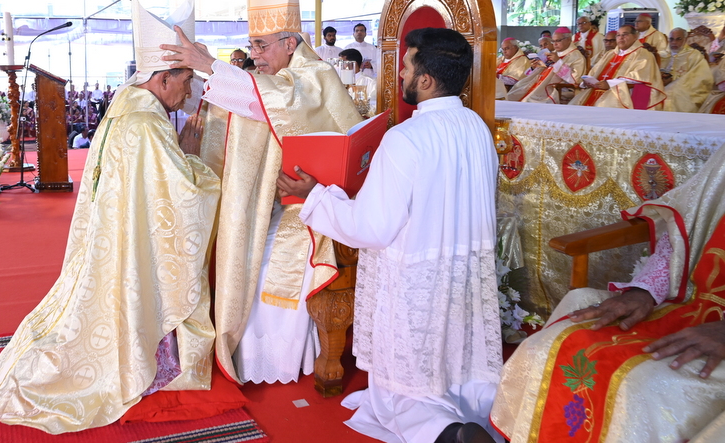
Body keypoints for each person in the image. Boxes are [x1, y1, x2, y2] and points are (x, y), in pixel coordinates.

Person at [0, 0, 221, 434]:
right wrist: (212, 175)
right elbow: (182, 194)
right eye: (186, 79)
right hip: (128, 237)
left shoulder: (129, 103)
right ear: (164, 77)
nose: (190, 91)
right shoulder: (147, 123)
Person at [277, 27, 502, 443]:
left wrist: (316, 197)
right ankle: (469, 412)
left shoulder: (405, 138)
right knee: (455, 365)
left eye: (407, 67)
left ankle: (446, 432)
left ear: (427, 80)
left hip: (418, 279)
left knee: (407, 388)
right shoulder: (477, 128)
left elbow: (372, 228)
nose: (399, 74)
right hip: (462, 274)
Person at [160, 0, 363, 385]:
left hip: (318, 207)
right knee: (240, 243)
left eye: (261, 45)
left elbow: (276, 101)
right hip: (281, 200)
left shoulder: (315, 76)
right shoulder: (278, 74)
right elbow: (252, 102)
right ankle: (243, 349)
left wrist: (208, 64)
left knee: (269, 256)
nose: (255, 53)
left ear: (291, 43)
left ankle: (278, 359)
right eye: (251, 44)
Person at [490, 142, 725, 443]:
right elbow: (686, 229)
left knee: (644, 386)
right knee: (552, 340)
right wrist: (644, 290)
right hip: (695, 302)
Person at [569, 25, 665, 109]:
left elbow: (639, 77)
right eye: (618, 35)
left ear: (635, 37)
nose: (621, 38)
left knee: (601, 107)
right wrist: (588, 82)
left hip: (620, 92)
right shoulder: (610, 54)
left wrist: (610, 84)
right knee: (574, 107)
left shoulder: (643, 54)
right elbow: (594, 72)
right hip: (595, 90)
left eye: (625, 34)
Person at [506, 27, 586, 103]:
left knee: (529, 99)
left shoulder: (577, 56)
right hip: (539, 83)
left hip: (556, 88)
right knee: (517, 89)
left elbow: (576, 79)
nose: (555, 44)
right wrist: (534, 68)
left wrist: (558, 62)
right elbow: (540, 71)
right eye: (553, 41)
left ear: (568, 39)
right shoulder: (553, 53)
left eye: (558, 41)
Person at [659, 28, 713, 112]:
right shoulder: (662, 55)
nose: (674, 42)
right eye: (671, 39)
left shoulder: (694, 55)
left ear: (685, 40)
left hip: (686, 88)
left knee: (671, 91)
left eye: (678, 39)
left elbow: (701, 77)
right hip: (661, 84)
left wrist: (673, 82)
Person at [340, 48, 378, 115]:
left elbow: (374, 106)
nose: (340, 66)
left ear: (353, 64)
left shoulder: (371, 82)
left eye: (343, 63)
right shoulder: (339, 81)